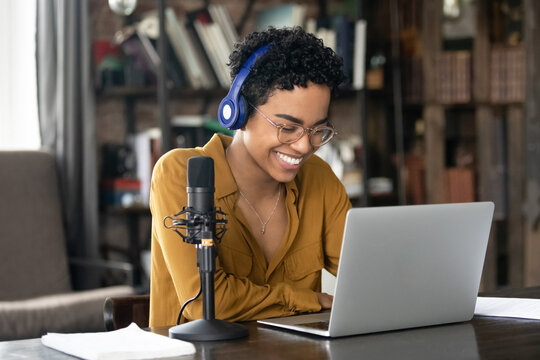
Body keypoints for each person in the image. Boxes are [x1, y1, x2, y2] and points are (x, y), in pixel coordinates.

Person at [149, 26, 352, 327]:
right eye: (287, 128)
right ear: (238, 113)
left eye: (317, 130)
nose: (304, 145)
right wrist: (305, 300)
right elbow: (207, 303)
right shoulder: (181, 173)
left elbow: (365, 280)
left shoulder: (318, 178)